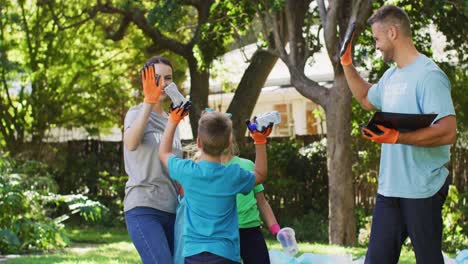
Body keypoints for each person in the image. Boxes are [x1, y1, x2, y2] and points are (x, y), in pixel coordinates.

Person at [340, 5, 457, 264]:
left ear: (392, 32)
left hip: (423, 189)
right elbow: (365, 98)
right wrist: (347, 64)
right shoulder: (391, 76)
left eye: (377, 39)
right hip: (390, 190)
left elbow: (448, 132)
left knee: (428, 260)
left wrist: (398, 138)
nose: (376, 46)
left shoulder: (429, 76)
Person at [159, 109, 272, 264]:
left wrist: (173, 119)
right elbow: (260, 173)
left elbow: (164, 153)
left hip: (193, 254)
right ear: (227, 144)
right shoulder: (232, 176)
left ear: (198, 142)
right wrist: (260, 141)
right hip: (225, 254)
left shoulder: (188, 171)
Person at [123, 56, 183, 263]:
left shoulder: (173, 120)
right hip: (143, 206)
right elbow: (131, 143)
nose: (163, 83)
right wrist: (149, 101)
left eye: (168, 78)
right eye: (157, 78)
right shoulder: (135, 113)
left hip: (173, 209)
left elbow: (175, 167)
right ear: (145, 80)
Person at [220, 133, 280, 264]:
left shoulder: (247, 165)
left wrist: (276, 230)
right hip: (223, 233)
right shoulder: (208, 169)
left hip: (251, 231)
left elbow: (262, 202)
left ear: (231, 141)